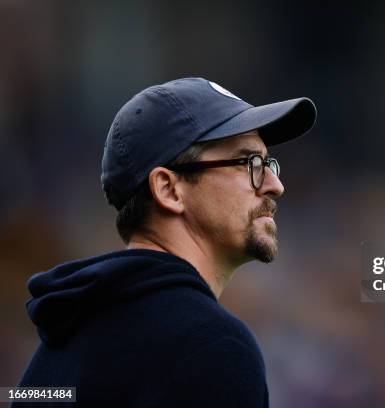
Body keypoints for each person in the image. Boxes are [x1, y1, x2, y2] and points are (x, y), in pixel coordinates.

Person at [15, 77, 317, 407]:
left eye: (268, 163)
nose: (275, 185)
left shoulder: (59, 345)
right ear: (169, 189)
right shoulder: (213, 346)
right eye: (250, 163)